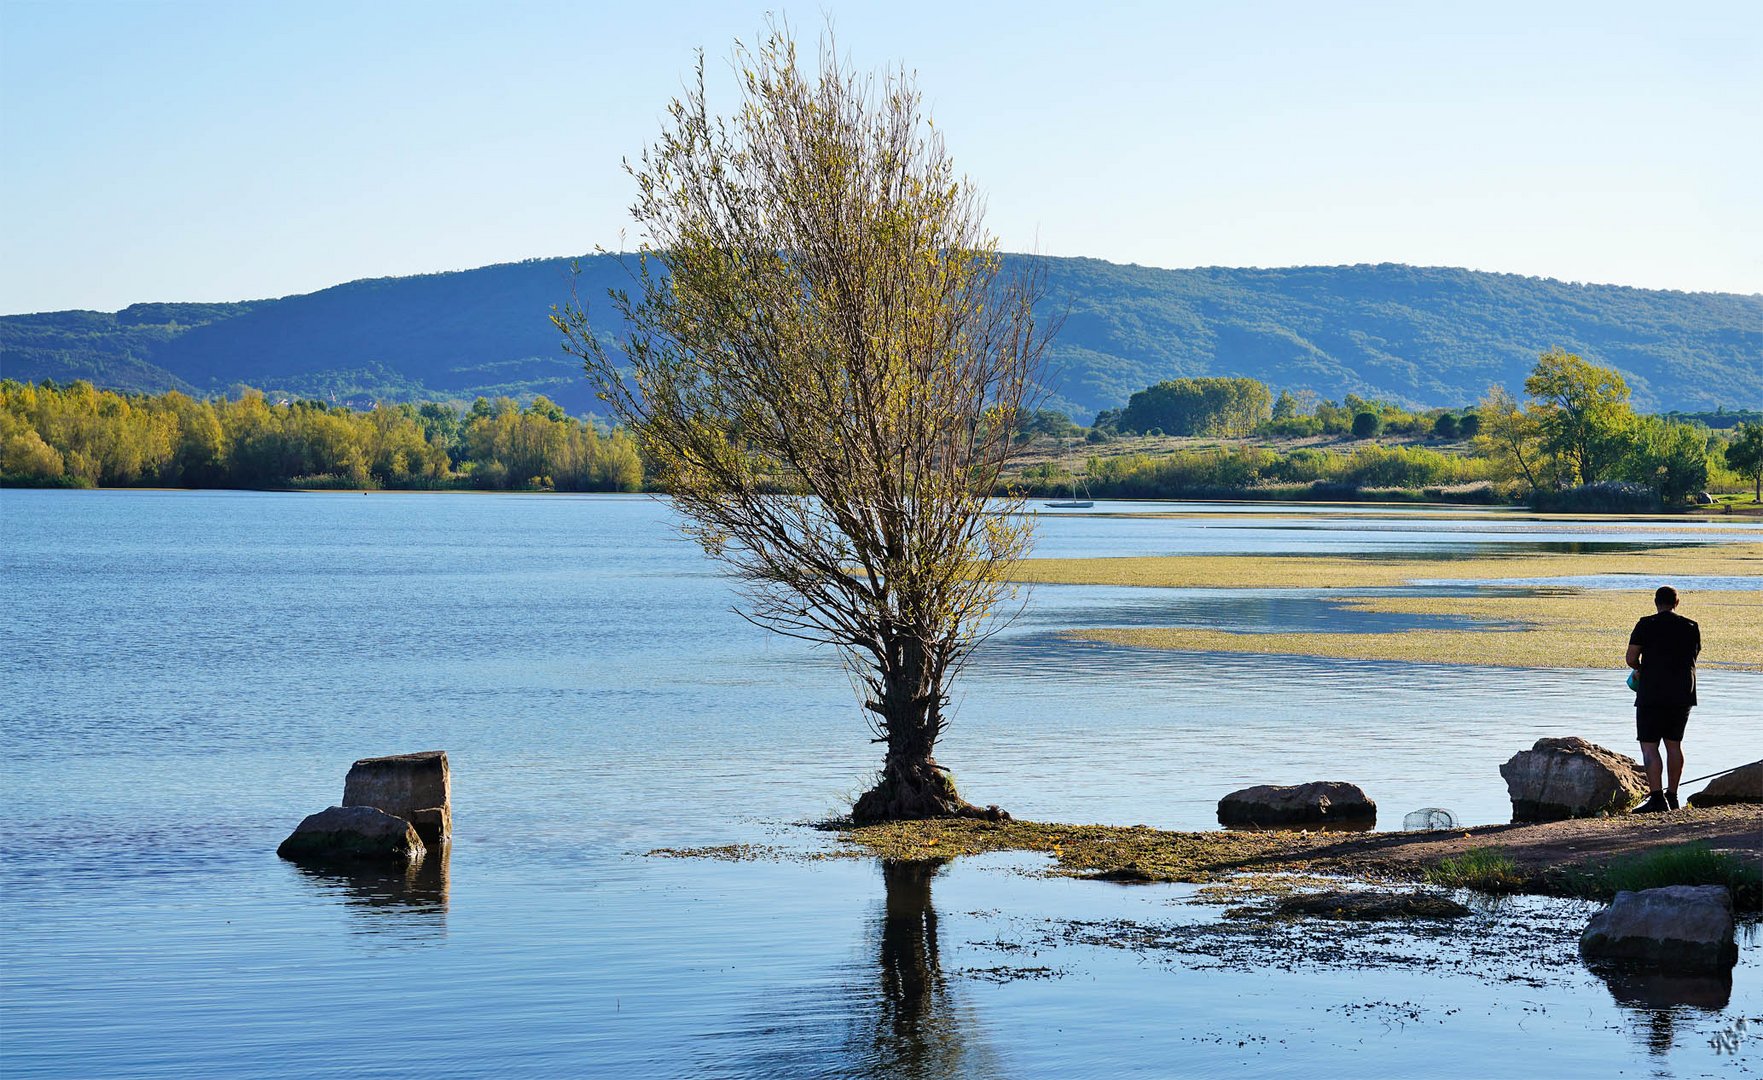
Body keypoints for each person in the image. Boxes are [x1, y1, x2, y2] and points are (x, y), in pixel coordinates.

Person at [1625, 586, 1700, 813]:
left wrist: (1639, 669)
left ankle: (1657, 798)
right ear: (1677, 602)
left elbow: (1630, 658)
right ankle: (1673, 795)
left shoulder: (1646, 624)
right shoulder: (1691, 626)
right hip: (1682, 693)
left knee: (1649, 746)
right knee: (1674, 745)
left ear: (1655, 602)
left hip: (1652, 692)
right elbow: (1693, 656)